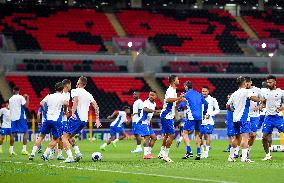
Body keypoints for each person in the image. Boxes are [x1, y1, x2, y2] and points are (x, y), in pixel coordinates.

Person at [62, 76, 101, 163]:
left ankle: (70, 157)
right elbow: (96, 106)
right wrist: (97, 119)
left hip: (76, 118)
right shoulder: (88, 94)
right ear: (85, 84)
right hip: (84, 121)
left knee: (64, 137)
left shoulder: (74, 90)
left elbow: (75, 100)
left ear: (79, 83)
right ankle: (78, 153)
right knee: (70, 137)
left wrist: (72, 112)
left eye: (77, 81)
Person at [226, 76, 263, 163]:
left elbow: (227, 106)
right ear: (244, 83)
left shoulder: (234, 93)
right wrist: (260, 99)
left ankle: (231, 157)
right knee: (245, 138)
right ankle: (244, 158)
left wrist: (233, 110)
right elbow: (253, 98)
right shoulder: (247, 91)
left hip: (235, 119)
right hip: (244, 118)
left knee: (236, 138)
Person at [29, 82, 68, 161]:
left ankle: (32, 154)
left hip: (47, 119)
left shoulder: (49, 96)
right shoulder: (63, 96)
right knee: (56, 139)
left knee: (41, 136)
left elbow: (41, 103)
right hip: (56, 120)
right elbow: (66, 103)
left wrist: (45, 110)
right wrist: (64, 110)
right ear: (62, 89)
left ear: (55, 88)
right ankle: (45, 154)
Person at [158, 75, 183, 163]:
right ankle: (166, 155)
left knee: (166, 135)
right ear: (173, 81)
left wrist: (179, 100)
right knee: (172, 135)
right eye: (177, 79)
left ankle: (161, 153)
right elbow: (168, 100)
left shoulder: (173, 90)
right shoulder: (170, 90)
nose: (178, 81)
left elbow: (174, 104)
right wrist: (178, 98)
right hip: (166, 115)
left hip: (168, 115)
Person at [181, 81, 208, 160]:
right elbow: (206, 104)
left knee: (185, 133)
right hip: (199, 117)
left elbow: (183, 103)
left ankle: (189, 151)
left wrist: (180, 107)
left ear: (186, 86)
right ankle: (198, 153)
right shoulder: (199, 94)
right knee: (197, 134)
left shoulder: (186, 94)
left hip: (191, 116)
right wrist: (204, 112)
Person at [261, 75, 284, 161]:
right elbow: (264, 102)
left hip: (278, 117)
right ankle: (268, 155)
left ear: (275, 82)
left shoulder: (281, 92)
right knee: (264, 137)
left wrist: (282, 107)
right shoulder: (265, 92)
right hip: (268, 118)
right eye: (267, 82)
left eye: (270, 82)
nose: (268, 83)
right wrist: (262, 106)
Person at [49, 79, 71, 160]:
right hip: (57, 118)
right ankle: (51, 153)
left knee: (62, 136)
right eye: (70, 84)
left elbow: (66, 104)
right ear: (66, 85)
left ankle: (59, 154)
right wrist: (65, 111)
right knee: (55, 136)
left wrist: (68, 110)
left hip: (64, 119)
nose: (70, 86)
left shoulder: (68, 94)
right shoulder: (60, 94)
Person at [136, 91, 159, 159]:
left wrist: (161, 113)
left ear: (156, 96)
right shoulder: (146, 102)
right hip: (142, 122)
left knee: (154, 138)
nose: (151, 96)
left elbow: (151, 114)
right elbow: (145, 109)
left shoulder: (154, 104)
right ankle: (146, 154)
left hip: (147, 123)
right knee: (147, 136)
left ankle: (148, 153)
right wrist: (155, 111)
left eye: (152, 95)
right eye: (150, 95)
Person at [245, 77, 262, 158]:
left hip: (254, 115)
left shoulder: (257, 90)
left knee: (253, 135)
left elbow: (264, 101)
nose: (247, 84)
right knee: (243, 134)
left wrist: (260, 106)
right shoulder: (242, 91)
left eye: (248, 82)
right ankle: (237, 151)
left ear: (251, 82)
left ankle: (248, 150)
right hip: (244, 115)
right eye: (246, 82)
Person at [200, 86, 220, 159]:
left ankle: (206, 152)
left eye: (205, 91)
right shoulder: (199, 99)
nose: (204, 93)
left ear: (208, 92)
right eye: (203, 91)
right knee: (199, 136)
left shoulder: (212, 100)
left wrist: (210, 114)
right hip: (200, 121)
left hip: (209, 121)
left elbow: (218, 110)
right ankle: (202, 151)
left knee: (207, 135)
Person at [9, 87, 29, 155]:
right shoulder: (21, 97)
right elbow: (26, 106)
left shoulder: (10, 99)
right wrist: (27, 98)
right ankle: (24, 149)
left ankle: (11, 150)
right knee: (26, 132)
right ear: (19, 90)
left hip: (13, 118)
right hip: (20, 117)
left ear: (13, 90)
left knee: (13, 133)